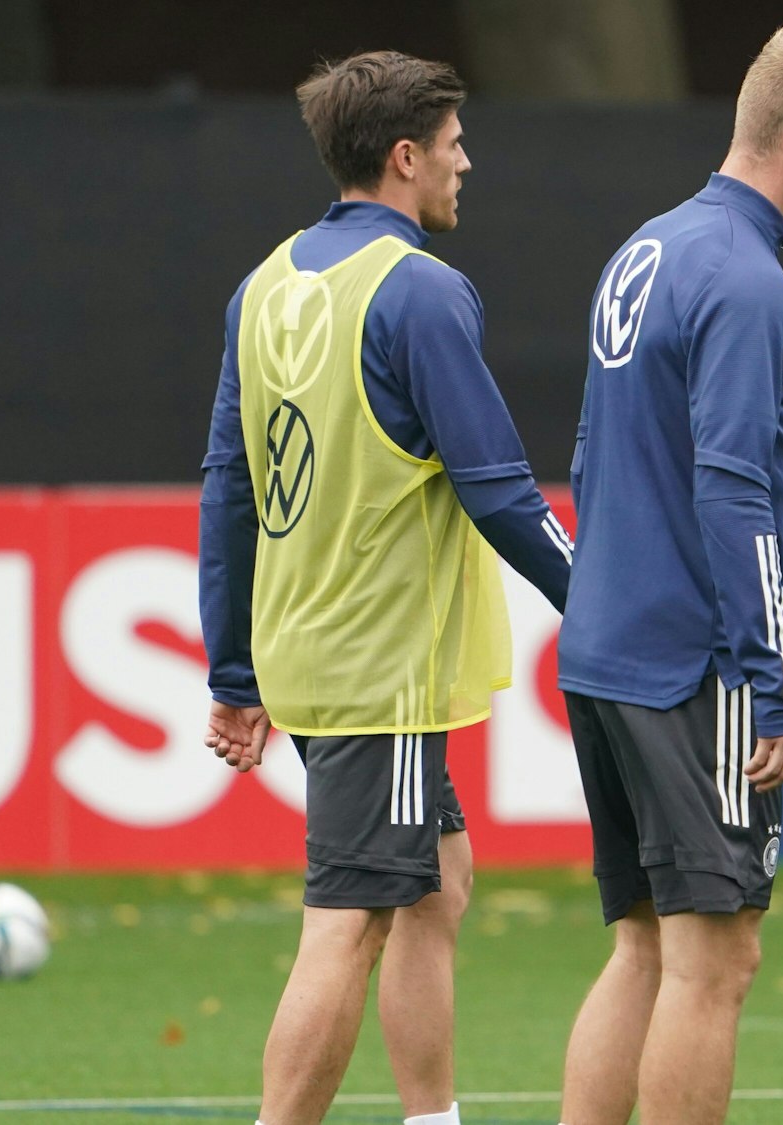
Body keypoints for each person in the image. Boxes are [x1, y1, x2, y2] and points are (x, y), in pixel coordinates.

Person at [197, 51, 571, 1125]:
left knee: (434, 883)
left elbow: (229, 484)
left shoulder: (263, 284)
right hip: (384, 668)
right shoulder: (419, 291)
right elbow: (498, 488)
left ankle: (431, 1119)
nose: (466, 162)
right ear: (405, 158)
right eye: (453, 146)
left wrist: (235, 665)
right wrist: (602, 603)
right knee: (351, 916)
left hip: (311, 653)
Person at [553, 21, 783, 1125]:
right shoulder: (751, 286)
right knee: (716, 962)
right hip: (685, 665)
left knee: (644, 951)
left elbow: (588, 458)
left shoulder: (646, 249)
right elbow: (734, 493)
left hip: (604, 651)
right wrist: (773, 673)